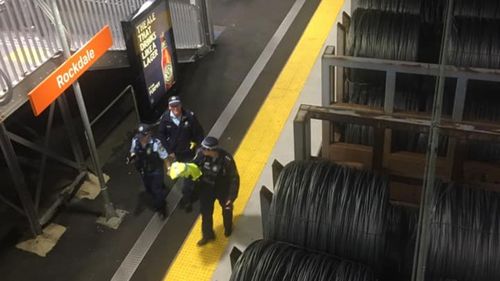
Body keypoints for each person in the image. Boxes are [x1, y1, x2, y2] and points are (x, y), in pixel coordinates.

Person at [158, 95, 204, 212]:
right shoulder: (165, 119)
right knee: (177, 174)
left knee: (187, 179)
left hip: (188, 152)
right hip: (175, 154)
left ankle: (187, 199)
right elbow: (161, 135)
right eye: (173, 106)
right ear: (169, 107)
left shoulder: (189, 116)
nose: (175, 108)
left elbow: (199, 132)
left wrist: (199, 146)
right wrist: (169, 151)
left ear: (180, 105)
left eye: (177, 105)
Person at [193, 136, 239, 246]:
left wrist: (231, 197)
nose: (202, 150)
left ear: (212, 150)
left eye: (205, 149)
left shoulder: (226, 159)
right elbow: (193, 166)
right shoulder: (200, 155)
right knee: (206, 213)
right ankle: (207, 235)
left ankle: (228, 228)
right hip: (206, 188)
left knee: (227, 209)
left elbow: (234, 178)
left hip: (222, 188)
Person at [127, 124, 169, 219]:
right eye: (140, 135)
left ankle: (161, 208)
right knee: (149, 189)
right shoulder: (135, 140)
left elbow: (164, 156)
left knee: (156, 191)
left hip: (156, 170)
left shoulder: (155, 144)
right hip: (143, 170)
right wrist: (132, 157)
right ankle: (161, 189)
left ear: (149, 134)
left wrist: (168, 168)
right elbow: (133, 151)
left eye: (143, 135)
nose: (141, 137)